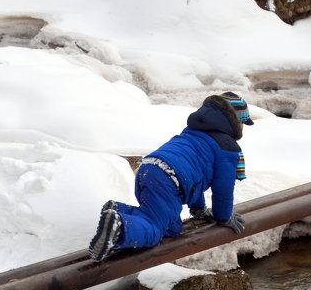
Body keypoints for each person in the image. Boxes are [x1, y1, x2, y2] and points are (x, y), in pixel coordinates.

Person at [88, 92, 254, 262]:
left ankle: (118, 209)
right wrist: (224, 216)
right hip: (169, 180)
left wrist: (199, 210)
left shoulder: (193, 131)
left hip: (148, 168)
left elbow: (195, 176)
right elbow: (223, 189)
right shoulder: (227, 147)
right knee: (155, 229)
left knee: (173, 227)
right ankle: (120, 227)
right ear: (235, 121)